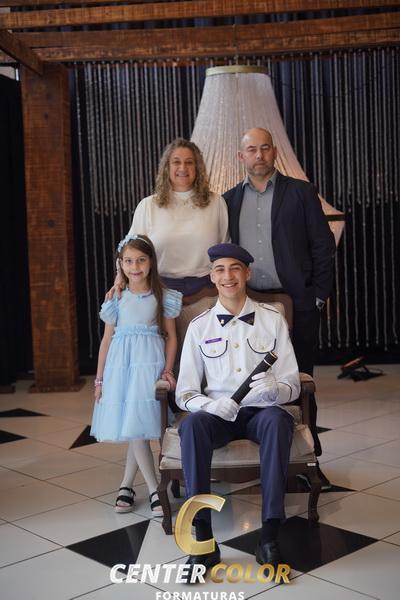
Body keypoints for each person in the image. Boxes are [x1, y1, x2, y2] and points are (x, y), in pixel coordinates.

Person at [176, 242, 300, 575]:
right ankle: (204, 539)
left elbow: (292, 382)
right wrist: (210, 404)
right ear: (211, 277)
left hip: (262, 411)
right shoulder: (199, 326)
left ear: (247, 273)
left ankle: (269, 537)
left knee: (278, 422)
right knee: (191, 426)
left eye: (235, 269)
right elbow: (184, 392)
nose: (227, 276)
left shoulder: (272, 319)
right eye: (220, 269)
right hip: (219, 415)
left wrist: (276, 389)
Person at [223, 128, 336, 489]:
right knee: (253, 382)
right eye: (251, 149)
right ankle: (265, 458)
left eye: (265, 148)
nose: (259, 155)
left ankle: (310, 460)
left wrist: (317, 296)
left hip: (297, 302)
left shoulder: (301, 192)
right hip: (250, 304)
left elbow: (323, 245)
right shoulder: (228, 200)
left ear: (274, 153)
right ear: (241, 156)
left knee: (300, 382)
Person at [91, 234, 182, 515]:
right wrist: (99, 379)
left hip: (149, 366)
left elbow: (172, 337)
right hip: (121, 369)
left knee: (138, 426)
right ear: (120, 264)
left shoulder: (162, 296)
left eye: (141, 260)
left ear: (151, 262)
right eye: (128, 261)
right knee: (136, 428)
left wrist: (168, 369)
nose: (135, 267)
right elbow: (106, 340)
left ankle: (127, 486)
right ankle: (154, 490)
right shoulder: (116, 298)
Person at [111, 138, 229, 298]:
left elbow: (226, 249)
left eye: (189, 162)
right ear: (167, 167)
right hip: (159, 292)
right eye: (176, 162)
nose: (183, 168)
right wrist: (120, 277)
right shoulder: (148, 206)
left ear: (198, 167)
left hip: (208, 292)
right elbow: (129, 250)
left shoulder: (216, 203)